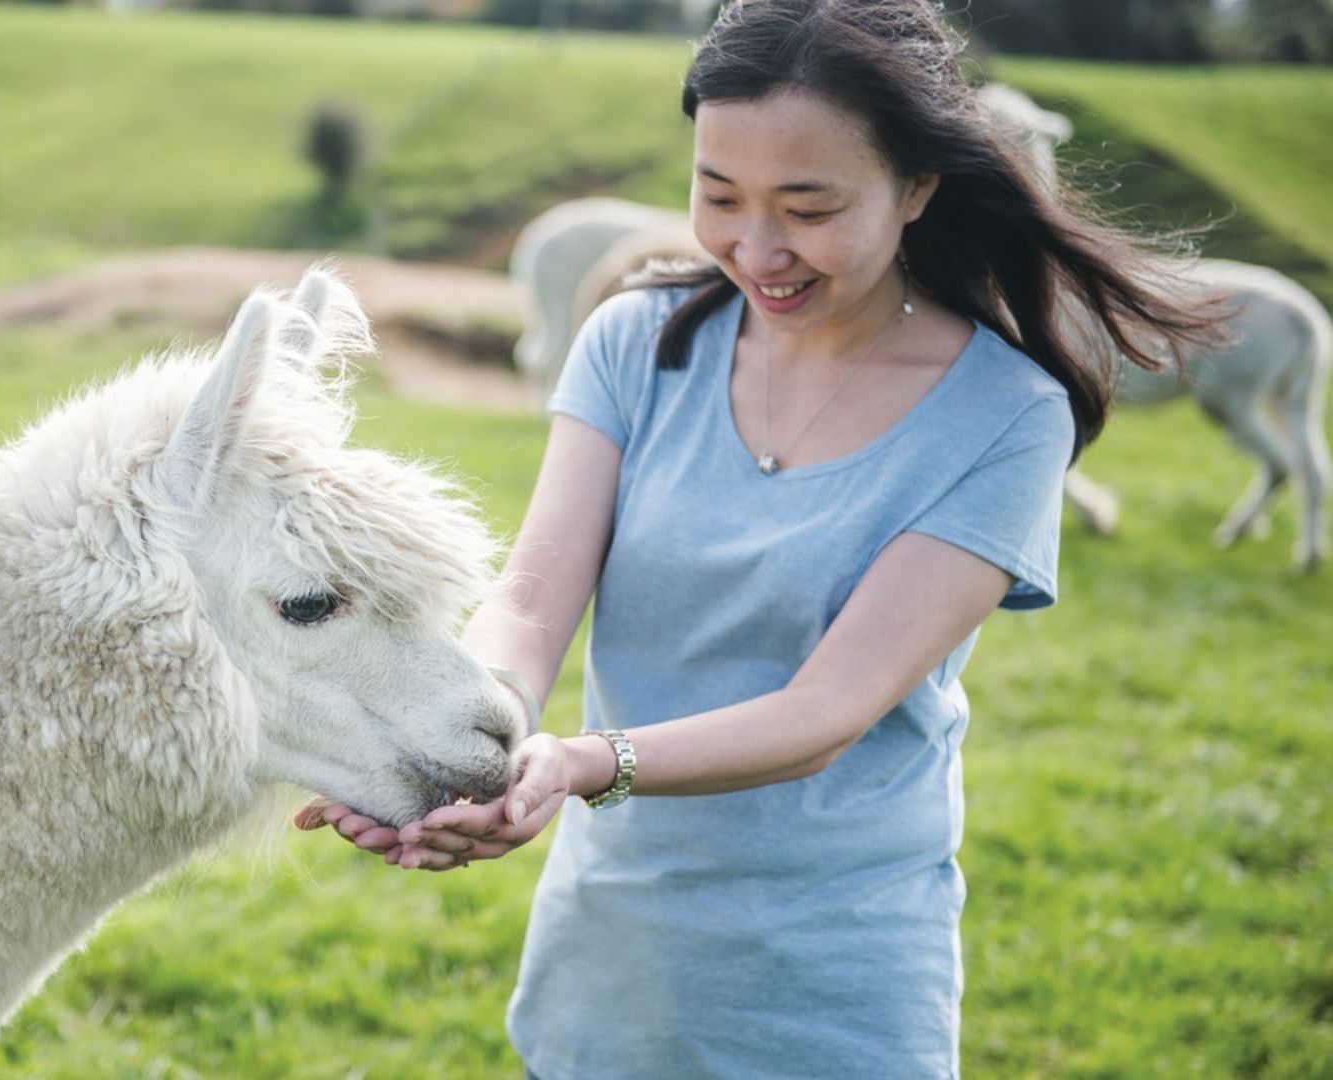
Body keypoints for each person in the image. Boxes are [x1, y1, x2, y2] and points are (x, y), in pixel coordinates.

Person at [296, 0, 1223, 1075]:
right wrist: (474, 752)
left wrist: (588, 764)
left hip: (831, 981)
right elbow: (533, 599)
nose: (757, 247)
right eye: (718, 195)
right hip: (614, 961)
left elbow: (827, 711)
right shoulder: (635, 343)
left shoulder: (1007, 415)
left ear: (918, 187)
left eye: (808, 206)